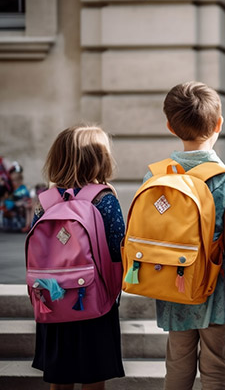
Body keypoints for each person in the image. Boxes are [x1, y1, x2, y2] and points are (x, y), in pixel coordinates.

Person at [149, 81, 225, 390]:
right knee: (216, 369)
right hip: (217, 292)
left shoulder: (157, 176)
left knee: (177, 368)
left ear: (169, 126)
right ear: (219, 123)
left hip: (174, 287)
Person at [31, 125, 125, 390]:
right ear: (100, 159)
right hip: (95, 303)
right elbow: (118, 248)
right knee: (94, 376)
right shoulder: (104, 199)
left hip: (53, 299)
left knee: (59, 378)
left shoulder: (46, 201)